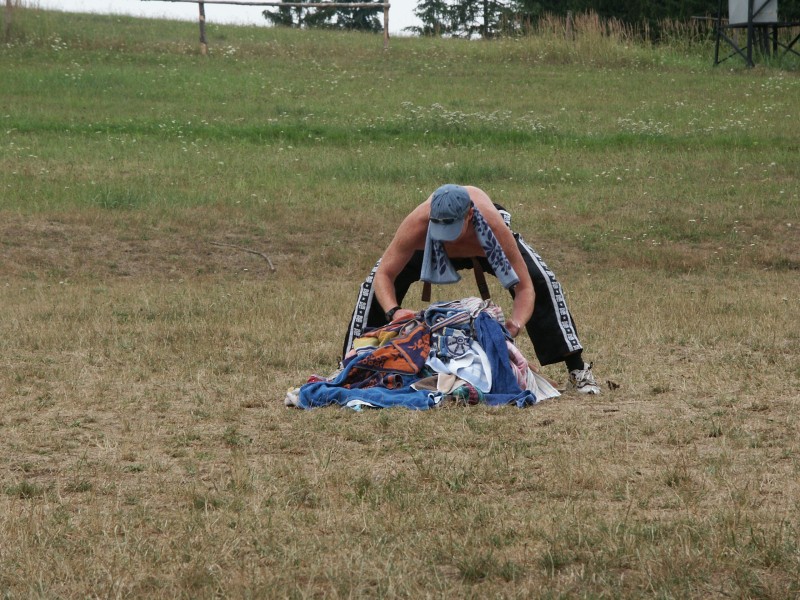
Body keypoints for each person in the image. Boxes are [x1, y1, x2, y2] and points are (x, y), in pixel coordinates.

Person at [342, 184, 601, 394]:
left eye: (453, 230)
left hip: (484, 245)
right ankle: (351, 365)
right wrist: (394, 311)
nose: (450, 237)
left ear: (469, 215)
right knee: (372, 285)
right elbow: (384, 275)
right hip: (430, 249)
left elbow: (525, 288)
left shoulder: (493, 228)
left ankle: (577, 369)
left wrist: (514, 325)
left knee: (542, 280)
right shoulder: (418, 224)